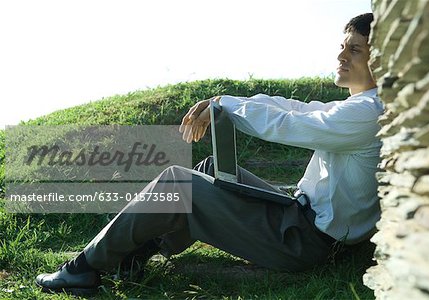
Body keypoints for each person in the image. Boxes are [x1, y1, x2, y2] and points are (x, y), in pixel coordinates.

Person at [36, 13, 383, 296]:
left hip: (304, 242)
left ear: (379, 60)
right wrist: (223, 102)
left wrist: (226, 105)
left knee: (178, 182)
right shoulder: (361, 106)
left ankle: (82, 269)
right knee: (210, 167)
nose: (340, 56)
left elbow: (291, 125)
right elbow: (296, 108)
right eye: (342, 46)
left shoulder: (368, 113)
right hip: (298, 220)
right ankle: (131, 258)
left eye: (354, 50)